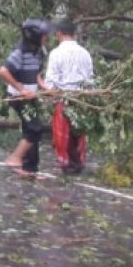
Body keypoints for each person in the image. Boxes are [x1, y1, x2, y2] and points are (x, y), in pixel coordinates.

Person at [0, 18, 51, 174]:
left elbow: (36, 75)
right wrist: (21, 89)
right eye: (44, 35)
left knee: (32, 129)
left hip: (31, 96)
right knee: (35, 128)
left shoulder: (38, 52)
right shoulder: (19, 52)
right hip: (18, 98)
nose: (46, 38)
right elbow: (3, 71)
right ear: (34, 36)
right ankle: (14, 159)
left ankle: (30, 167)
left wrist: (46, 87)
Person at [46, 17, 95, 174]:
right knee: (78, 131)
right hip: (81, 98)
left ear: (59, 34)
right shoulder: (85, 53)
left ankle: (66, 163)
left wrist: (47, 93)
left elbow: (51, 81)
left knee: (63, 132)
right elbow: (90, 79)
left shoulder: (56, 53)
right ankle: (78, 162)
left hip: (63, 98)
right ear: (73, 34)